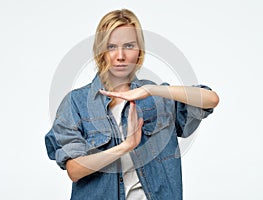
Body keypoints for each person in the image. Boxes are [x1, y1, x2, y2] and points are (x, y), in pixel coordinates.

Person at [45, 9, 219, 200]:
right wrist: (125, 146)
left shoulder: (158, 99)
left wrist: (153, 90)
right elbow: (74, 170)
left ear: (139, 51)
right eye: (111, 47)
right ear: (101, 51)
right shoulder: (76, 103)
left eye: (129, 45)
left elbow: (210, 99)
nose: (120, 56)